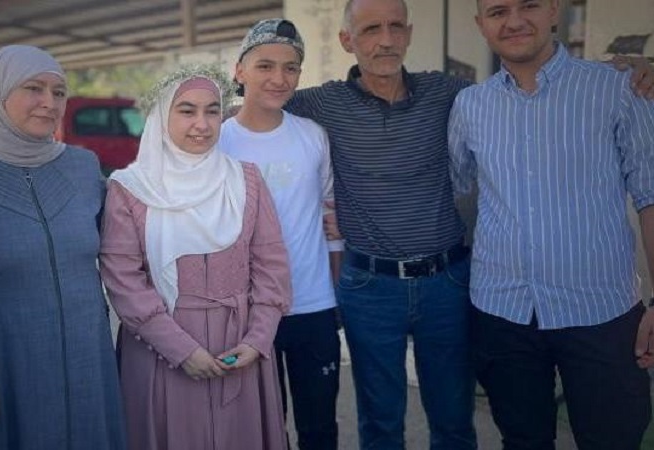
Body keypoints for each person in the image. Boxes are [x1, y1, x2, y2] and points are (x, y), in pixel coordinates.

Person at [284, 1, 654, 448]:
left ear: (409, 33)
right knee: (385, 423)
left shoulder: (453, 94)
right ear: (347, 40)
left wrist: (639, 66)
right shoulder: (328, 103)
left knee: (457, 421)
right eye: (370, 29)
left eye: (396, 26)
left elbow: (646, 189)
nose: (385, 40)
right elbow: (258, 106)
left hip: (463, 285)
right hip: (392, 289)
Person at [449, 1, 654, 449]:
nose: (514, 20)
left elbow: (650, 195)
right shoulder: (470, 104)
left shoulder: (617, 88)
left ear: (554, 10)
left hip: (601, 312)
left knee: (613, 439)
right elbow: (457, 187)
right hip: (503, 310)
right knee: (522, 440)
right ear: (481, 24)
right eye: (498, 11)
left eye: (529, 5)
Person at [0, 45, 126, 450]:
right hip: (2, 364)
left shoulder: (82, 166)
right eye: (34, 88)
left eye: (59, 92)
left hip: (88, 357)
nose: (49, 103)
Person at [99, 64, 292, 450]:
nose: (202, 124)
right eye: (187, 111)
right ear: (162, 116)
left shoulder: (246, 180)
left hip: (239, 344)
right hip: (161, 347)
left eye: (212, 111)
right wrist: (182, 351)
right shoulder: (130, 189)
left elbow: (272, 265)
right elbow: (123, 280)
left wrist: (257, 339)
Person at [219, 19, 343, 450]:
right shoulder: (218, 141)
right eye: (265, 66)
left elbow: (330, 215)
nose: (279, 78)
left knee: (319, 429)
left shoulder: (313, 135)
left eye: (291, 68)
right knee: (263, 431)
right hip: (248, 310)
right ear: (240, 71)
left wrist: (335, 288)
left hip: (313, 305)